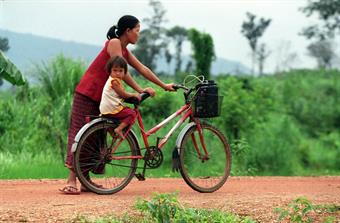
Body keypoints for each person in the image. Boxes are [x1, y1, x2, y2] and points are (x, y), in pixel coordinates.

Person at [59, 15, 174, 195]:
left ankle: (85, 180)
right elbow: (121, 72)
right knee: (79, 134)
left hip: (104, 99)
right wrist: (138, 89)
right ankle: (71, 180)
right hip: (88, 93)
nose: (138, 35)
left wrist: (164, 86)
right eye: (137, 31)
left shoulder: (125, 51)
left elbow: (143, 68)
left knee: (95, 138)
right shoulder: (114, 43)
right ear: (127, 31)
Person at [100, 56, 139, 139]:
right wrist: (133, 94)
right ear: (110, 71)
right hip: (111, 108)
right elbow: (123, 95)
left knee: (125, 110)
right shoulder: (114, 82)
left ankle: (111, 130)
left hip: (106, 109)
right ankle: (119, 129)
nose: (118, 73)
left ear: (125, 72)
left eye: (121, 71)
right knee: (132, 114)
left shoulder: (112, 80)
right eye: (115, 70)